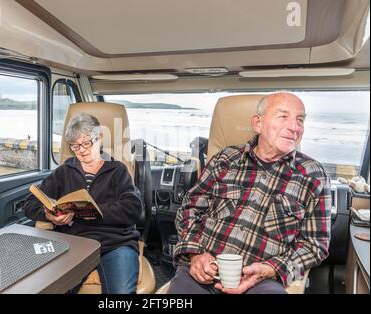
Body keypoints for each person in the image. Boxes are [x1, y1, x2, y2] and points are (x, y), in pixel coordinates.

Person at [168, 92, 331, 294]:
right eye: (283, 116)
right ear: (258, 123)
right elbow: (190, 208)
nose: (295, 127)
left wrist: (271, 269)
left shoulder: (313, 176)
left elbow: (315, 246)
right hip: (203, 271)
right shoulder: (226, 159)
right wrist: (194, 253)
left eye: (300, 120)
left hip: (261, 282)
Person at [23, 113, 142, 294]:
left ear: (99, 138)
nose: (82, 150)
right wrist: (48, 215)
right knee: (51, 289)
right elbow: (30, 203)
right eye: (75, 146)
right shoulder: (64, 171)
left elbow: (133, 208)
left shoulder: (118, 170)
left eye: (87, 143)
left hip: (115, 243)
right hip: (73, 242)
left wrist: (93, 211)